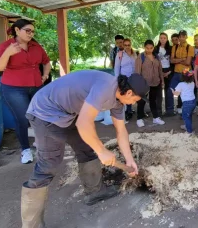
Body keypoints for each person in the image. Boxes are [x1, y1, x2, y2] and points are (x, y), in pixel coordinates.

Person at [21, 71, 148, 227]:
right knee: (48, 165)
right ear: (129, 92)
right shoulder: (105, 87)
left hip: (68, 113)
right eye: (135, 99)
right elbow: (83, 124)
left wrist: (129, 160)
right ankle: (31, 224)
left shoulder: (118, 100)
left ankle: (95, 192)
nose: (134, 103)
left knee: (87, 149)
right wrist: (101, 150)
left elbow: (121, 131)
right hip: (46, 112)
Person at [0, 19, 51, 164]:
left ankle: (42, 145)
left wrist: (45, 75)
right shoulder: (6, 46)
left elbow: (46, 62)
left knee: (40, 116)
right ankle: (25, 150)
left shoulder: (36, 46)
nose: (31, 34)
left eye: (32, 31)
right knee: (22, 119)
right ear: (17, 30)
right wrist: (8, 53)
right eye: (27, 30)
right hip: (14, 89)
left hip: (36, 86)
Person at [135, 40, 165, 127]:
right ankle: (139, 118)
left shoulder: (156, 57)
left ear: (153, 47)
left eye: (151, 48)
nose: (149, 50)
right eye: (147, 48)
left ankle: (156, 118)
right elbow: (137, 71)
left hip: (155, 83)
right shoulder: (141, 57)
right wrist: (138, 84)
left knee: (153, 101)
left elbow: (160, 70)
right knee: (141, 101)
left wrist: (162, 81)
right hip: (144, 83)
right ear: (144, 47)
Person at [170, 30, 195, 114]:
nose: (181, 38)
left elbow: (188, 63)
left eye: (183, 36)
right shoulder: (175, 47)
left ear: (186, 37)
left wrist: (177, 60)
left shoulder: (190, 47)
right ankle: (170, 110)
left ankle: (184, 109)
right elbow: (172, 60)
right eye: (180, 36)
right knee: (170, 89)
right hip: (176, 72)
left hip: (186, 72)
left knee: (185, 92)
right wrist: (182, 59)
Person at [114, 38, 137, 121]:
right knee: (125, 94)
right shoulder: (120, 54)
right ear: (123, 45)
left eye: (129, 45)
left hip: (133, 77)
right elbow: (116, 67)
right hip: (124, 77)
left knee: (132, 94)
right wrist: (116, 79)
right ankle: (126, 112)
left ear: (131, 45)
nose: (127, 47)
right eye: (125, 45)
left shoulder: (134, 53)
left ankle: (129, 110)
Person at [154, 32, 175, 117]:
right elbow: (154, 62)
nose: (163, 40)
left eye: (164, 38)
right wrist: (160, 73)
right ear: (159, 39)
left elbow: (173, 62)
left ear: (167, 39)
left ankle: (169, 110)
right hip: (159, 71)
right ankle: (158, 112)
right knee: (158, 92)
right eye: (161, 38)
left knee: (169, 91)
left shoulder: (171, 48)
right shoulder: (155, 49)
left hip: (169, 71)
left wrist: (169, 71)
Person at [171, 69, 196, 133]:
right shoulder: (192, 83)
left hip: (187, 103)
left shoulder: (181, 84)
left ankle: (189, 131)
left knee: (185, 117)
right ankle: (187, 126)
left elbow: (177, 94)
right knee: (189, 115)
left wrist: (173, 91)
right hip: (193, 102)